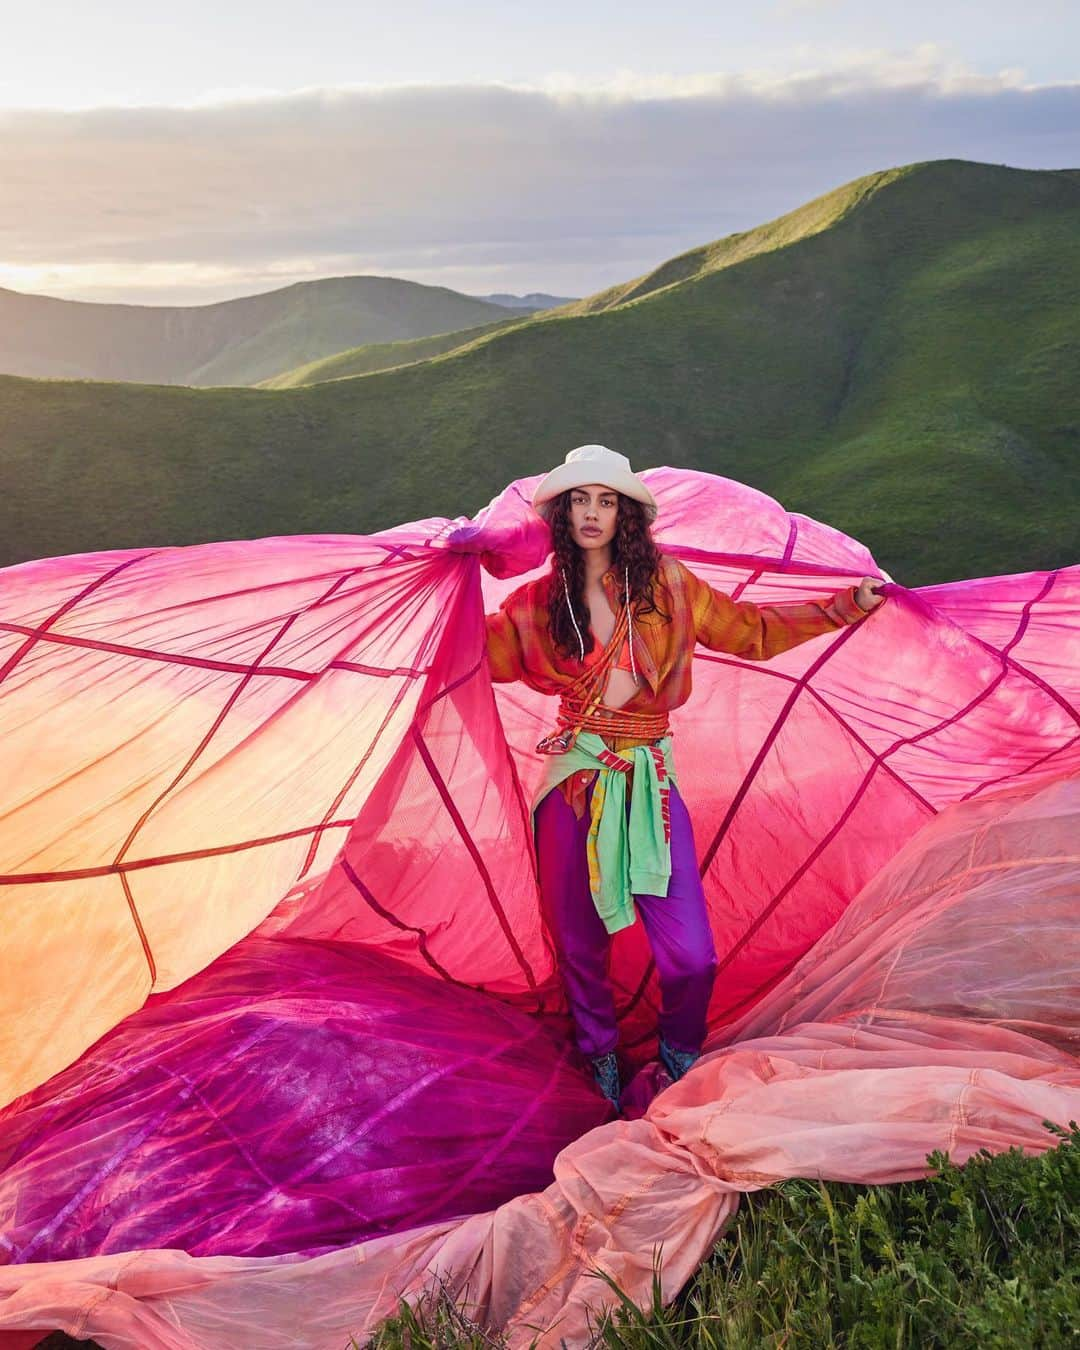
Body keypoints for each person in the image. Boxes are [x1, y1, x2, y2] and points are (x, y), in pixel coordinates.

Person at [484, 445, 885, 1109]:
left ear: (626, 515)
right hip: (572, 780)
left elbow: (751, 631)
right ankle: (599, 1057)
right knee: (579, 945)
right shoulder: (535, 603)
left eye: (606, 501)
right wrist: (444, 577)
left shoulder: (668, 585)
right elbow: (477, 649)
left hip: (648, 778)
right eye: (579, 500)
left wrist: (846, 605)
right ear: (561, 515)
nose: (591, 513)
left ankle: (679, 1058)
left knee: (692, 956)